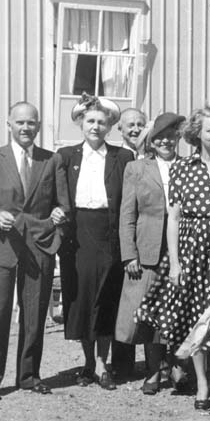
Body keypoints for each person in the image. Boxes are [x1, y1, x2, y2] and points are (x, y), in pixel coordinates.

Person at [137, 106, 210, 411]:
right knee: (197, 318)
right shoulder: (182, 168)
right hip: (191, 252)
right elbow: (173, 218)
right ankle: (202, 383)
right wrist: (174, 263)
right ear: (197, 133)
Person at [0, 102, 68, 400]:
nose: (26, 128)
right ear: (8, 124)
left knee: (34, 315)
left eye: (31, 123)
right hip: (2, 244)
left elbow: (63, 204)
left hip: (39, 246)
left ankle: (29, 376)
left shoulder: (52, 160)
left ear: (38, 126)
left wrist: (59, 217)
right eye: (20, 122)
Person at [58, 94, 134, 391]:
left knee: (105, 298)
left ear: (110, 126)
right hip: (78, 235)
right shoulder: (66, 156)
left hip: (108, 233)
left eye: (102, 122)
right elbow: (57, 195)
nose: (96, 127)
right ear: (80, 123)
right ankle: (88, 362)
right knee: (81, 299)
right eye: (90, 121)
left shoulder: (122, 157)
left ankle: (102, 363)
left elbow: (128, 201)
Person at [116, 112, 186, 395]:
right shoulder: (136, 168)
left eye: (171, 136)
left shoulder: (188, 166)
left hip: (182, 247)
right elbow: (127, 214)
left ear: (178, 138)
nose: (166, 142)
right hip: (149, 249)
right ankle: (154, 370)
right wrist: (129, 254)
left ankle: (178, 365)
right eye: (160, 137)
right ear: (152, 141)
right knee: (149, 311)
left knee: (179, 308)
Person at [112, 107, 149, 378]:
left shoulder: (155, 157)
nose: (135, 129)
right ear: (120, 129)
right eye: (130, 125)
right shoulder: (116, 158)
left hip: (149, 242)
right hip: (122, 241)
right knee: (123, 303)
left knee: (150, 300)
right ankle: (123, 364)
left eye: (139, 124)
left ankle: (155, 364)